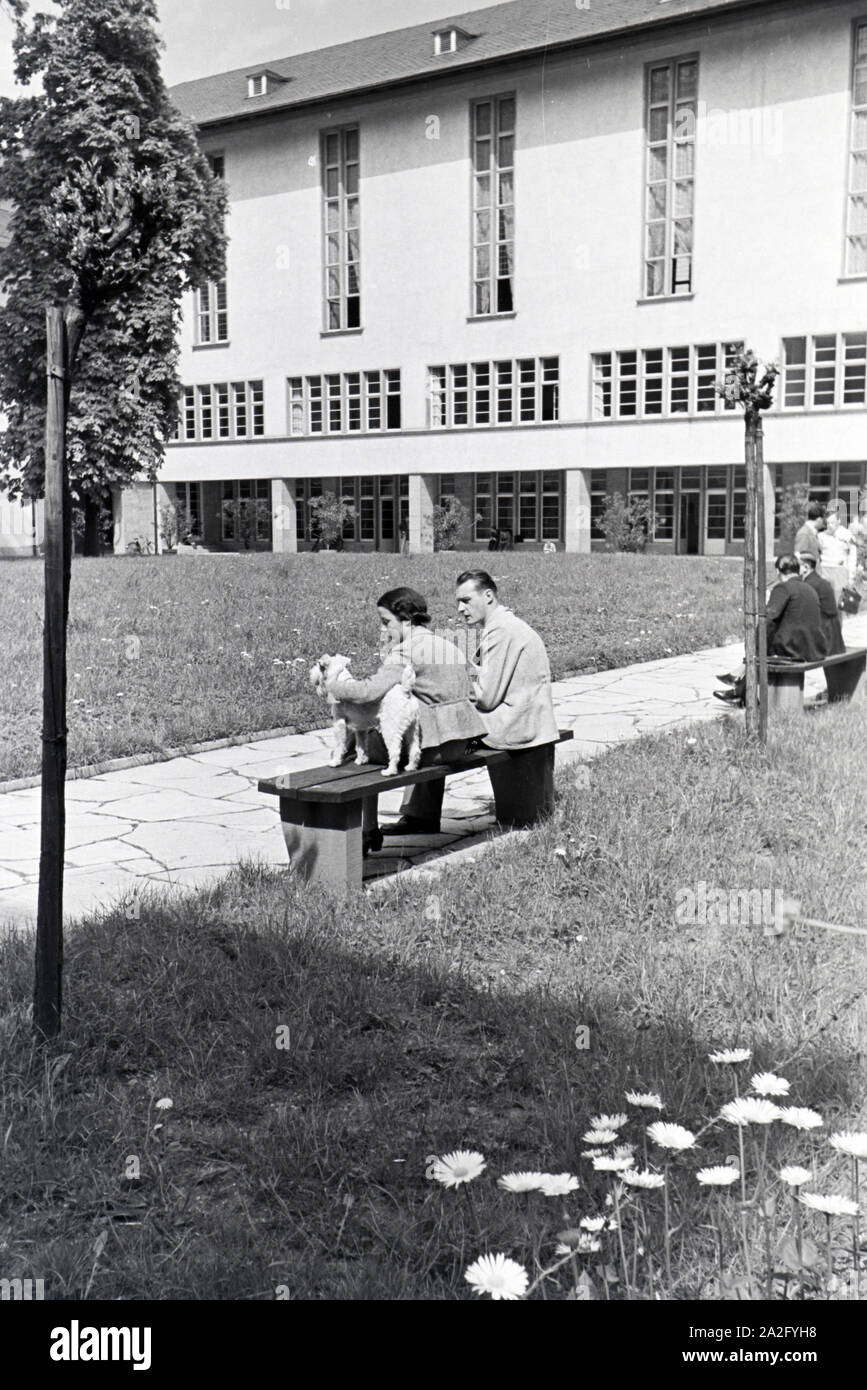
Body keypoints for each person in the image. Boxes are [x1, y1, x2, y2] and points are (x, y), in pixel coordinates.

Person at [388, 570, 560, 830]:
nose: (460, 608)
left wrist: (452, 675)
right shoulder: (508, 625)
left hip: (512, 728)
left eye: (466, 600)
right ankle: (418, 814)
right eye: (458, 602)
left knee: (430, 730)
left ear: (489, 596)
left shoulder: (501, 631)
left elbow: (486, 698)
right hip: (526, 721)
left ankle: (418, 816)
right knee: (438, 720)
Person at [327, 587, 485, 854]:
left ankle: (366, 830)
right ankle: (401, 821)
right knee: (395, 730)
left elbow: (368, 693)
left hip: (431, 749)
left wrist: (335, 687)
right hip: (458, 743)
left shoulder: (405, 652)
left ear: (406, 620)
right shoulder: (448, 644)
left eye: (387, 622)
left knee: (355, 744)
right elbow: (470, 690)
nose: (384, 630)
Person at [714, 554, 829, 705]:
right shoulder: (809, 588)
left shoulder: (783, 588)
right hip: (813, 648)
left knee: (763, 645)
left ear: (778, 571)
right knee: (768, 643)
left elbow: (767, 619)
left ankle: (740, 681)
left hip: (793, 650)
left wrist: (753, 647)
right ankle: (739, 689)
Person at [799, 553, 845, 656]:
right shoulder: (821, 581)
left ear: (806, 567)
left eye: (798, 566)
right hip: (833, 632)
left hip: (824, 633)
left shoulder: (809, 585)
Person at [817, 506, 857, 605]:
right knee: (824, 602)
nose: (830, 526)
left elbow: (852, 556)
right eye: (828, 523)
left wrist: (851, 576)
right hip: (825, 570)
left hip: (840, 571)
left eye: (833, 523)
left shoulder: (847, 535)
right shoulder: (821, 536)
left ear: (839, 521)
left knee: (838, 603)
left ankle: (838, 620)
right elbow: (818, 554)